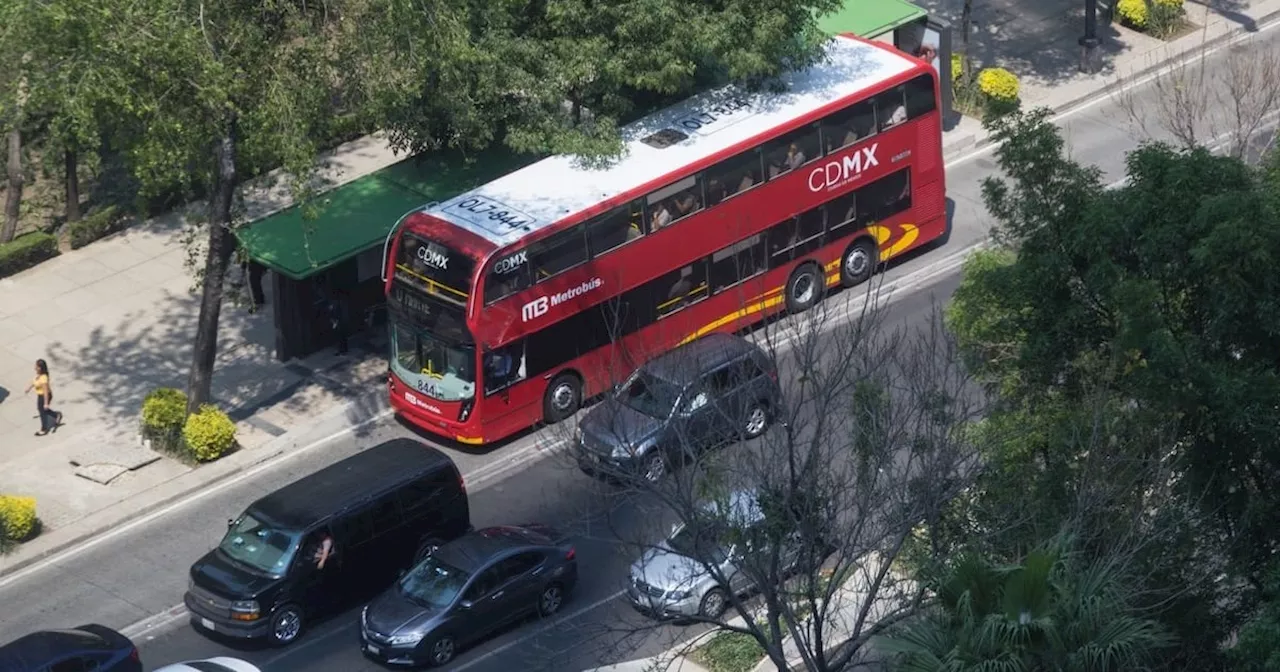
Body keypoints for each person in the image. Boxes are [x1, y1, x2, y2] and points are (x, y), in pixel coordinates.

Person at [25, 359, 62, 436]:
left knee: (42, 411)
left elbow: (45, 392)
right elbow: (34, 381)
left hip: (45, 396)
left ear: (40, 368)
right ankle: (56, 415)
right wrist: (29, 388)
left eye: (36, 366)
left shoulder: (44, 378)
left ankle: (44, 429)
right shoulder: (39, 374)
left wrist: (46, 403)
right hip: (40, 395)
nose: (35, 367)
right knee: (42, 410)